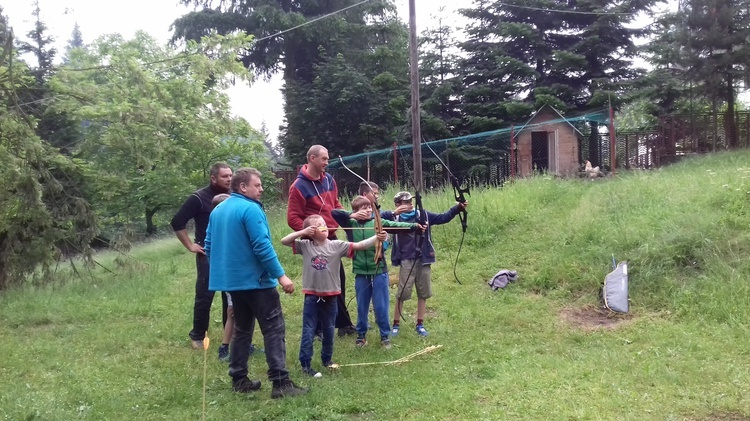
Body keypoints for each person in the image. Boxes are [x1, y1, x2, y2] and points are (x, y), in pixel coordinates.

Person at [205, 167, 307, 399]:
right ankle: (281, 383)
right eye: (257, 185)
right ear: (243, 187)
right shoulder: (250, 209)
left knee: (242, 330)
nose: (261, 189)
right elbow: (262, 245)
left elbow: (208, 246)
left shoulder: (218, 210)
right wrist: (281, 275)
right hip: (257, 283)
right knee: (273, 329)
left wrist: (225, 273)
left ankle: (239, 379)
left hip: (232, 284)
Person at [281, 215, 382, 377]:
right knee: (309, 329)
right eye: (319, 225)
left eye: (324, 224)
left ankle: (327, 360)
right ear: (311, 231)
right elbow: (284, 241)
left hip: (331, 296)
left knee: (329, 329)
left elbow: (359, 245)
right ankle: (305, 363)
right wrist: (303, 231)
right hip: (312, 296)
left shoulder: (336, 245)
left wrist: (377, 237)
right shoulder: (306, 245)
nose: (324, 226)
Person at [332, 184, 421, 349]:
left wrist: (415, 226)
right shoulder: (351, 224)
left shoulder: (377, 221)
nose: (366, 210)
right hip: (361, 272)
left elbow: (397, 226)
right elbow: (334, 212)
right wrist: (353, 215)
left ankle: (384, 336)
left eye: (368, 207)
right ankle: (361, 336)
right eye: (362, 208)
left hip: (379, 271)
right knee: (362, 306)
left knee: (381, 306)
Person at [287, 145, 356, 337]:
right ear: (312, 158)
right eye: (324, 159)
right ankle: (317, 328)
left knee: (337, 281)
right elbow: (293, 218)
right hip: (314, 243)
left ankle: (343, 325)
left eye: (327, 158)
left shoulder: (329, 180)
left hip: (331, 239)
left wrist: (347, 217)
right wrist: (312, 234)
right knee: (318, 286)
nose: (327, 162)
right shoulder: (298, 186)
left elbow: (336, 205)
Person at [382, 191, 469, 337]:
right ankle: (396, 325)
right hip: (406, 258)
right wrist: (393, 213)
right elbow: (378, 220)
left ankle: (420, 324)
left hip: (423, 258)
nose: (409, 205)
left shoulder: (423, 214)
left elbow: (443, 217)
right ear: (397, 204)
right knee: (403, 292)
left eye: (411, 202)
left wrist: (457, 208)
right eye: (405, 202)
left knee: (423, 292)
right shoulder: (394, 218)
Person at [171, 162, 232, 350]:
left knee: (231, 296)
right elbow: (177, 221)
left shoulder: (233, 196)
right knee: (205, 294)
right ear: (213, 178)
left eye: (231, 175)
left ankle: (229, 336)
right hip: (208, 253)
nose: (229, 179)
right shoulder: (198, 198)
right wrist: (190, 245)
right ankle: (198, 335)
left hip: (230, 252)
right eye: (224, 176)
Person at [210, 193, 262, 363]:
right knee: (233, 313)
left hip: (234, 277)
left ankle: (242, 346)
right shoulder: (222, 227)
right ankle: (225, 348)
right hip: (232, 278)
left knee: (238, 314)